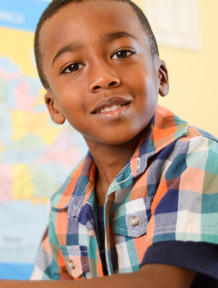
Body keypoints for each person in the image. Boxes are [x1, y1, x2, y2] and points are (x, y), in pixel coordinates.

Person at [1, 0, 218, 287]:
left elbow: (162, 282)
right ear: (54, 107)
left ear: (160, 76)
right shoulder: (65, 203)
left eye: (122, 52)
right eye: (73, 66)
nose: (103, 78)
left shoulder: (196, 157)